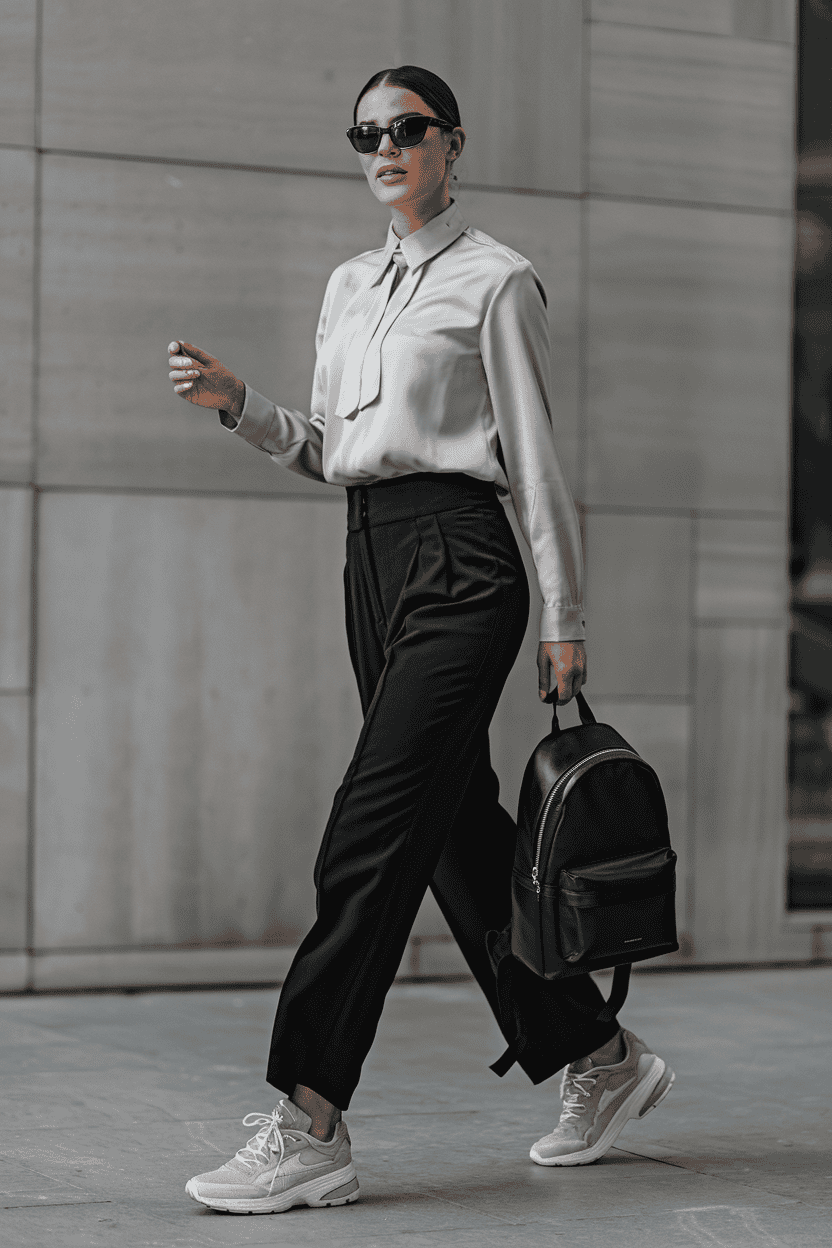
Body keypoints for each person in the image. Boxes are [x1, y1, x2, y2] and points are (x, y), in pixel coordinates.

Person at [167, 65, 674, 1217]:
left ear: (452, 145)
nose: (384, 147)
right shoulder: (348, 285)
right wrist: (244, 407)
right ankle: (601, 1059)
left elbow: (533, 457)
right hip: (374, 563)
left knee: (369, 835)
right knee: (451, 838)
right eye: (366, 132)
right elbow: (334, 451)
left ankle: (310, 1119)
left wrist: (566, 615)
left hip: (463, 563)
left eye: (406, 129)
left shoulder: (496, 282)